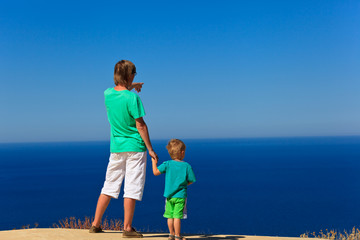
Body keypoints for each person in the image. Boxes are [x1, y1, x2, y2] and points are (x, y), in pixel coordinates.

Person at [90, 60, 158, 238]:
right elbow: (141, 126)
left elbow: (117, 92)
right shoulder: (133, 98)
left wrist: (131, 85)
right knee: (132, 187)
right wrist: (150, 149)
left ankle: (95, 224)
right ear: (129, 75)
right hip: (135, 147)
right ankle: (127, 228)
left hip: (116, 148)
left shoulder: (107, 94)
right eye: (134, 74)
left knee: (109, 185)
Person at [151, 139, 196, 240]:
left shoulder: (167, 164)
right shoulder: (186, 166)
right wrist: (183, 185)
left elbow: (155, 172)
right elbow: (191, 180)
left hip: (169, 196)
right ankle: (177, 236)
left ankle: (171, 234)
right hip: (180, 196)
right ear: (182, 153)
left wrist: (154, 162)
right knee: (177, 217)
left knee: (169, 216)